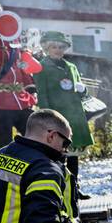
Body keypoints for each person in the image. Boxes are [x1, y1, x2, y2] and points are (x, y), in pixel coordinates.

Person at [33, 31, 93, 191]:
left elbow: (83, 95)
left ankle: (74, 189)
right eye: (54, 46)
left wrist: (84, 90)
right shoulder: (41, 67)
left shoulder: (71, 66)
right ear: (46, 48)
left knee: (73, 156)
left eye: (61, 47)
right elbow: (42, 94)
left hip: (75, 117)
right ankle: (60, 189)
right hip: (57, 117)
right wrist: (47, 120)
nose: (58, 50)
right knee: (58, 155)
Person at [0, 6, 42, 147]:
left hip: (21, 99)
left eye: (0, 13)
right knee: (3, 145)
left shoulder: (12, 35)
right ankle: (0, 170)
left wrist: (31, 88)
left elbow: (20, 65)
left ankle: (38, 168)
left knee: (37, 138)